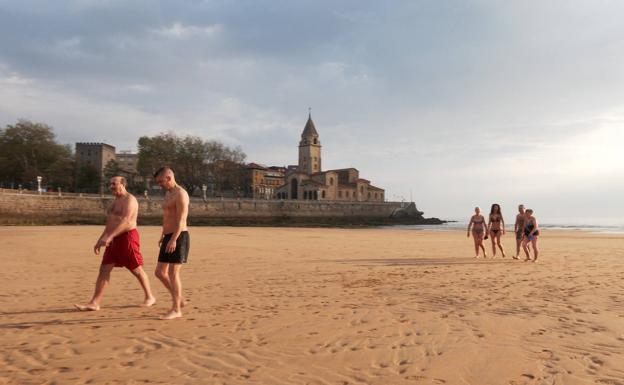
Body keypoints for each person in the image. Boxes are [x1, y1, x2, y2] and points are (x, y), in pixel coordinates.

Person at [75, 176, 156, 311]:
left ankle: (150, 297)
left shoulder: (130, 200)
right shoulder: (115, 202)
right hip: (112, 239)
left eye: (114, 183)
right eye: (110, 184)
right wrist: (101, 239)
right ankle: (95, 303)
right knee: (104, 269)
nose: (111, 186)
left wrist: (110, 236)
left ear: (123, 184)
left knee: (136, 269)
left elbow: (126, 221)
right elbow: (110, 223)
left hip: (127, 237)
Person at [153, 167, 190, 320]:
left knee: (173, 273)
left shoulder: (181, 194)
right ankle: (179, 299)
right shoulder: (168, 193)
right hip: (168, 236)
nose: (159, 185)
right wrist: (163, 234)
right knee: (159, 272)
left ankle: (176, 309)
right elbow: (167, 216)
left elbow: (181, 220)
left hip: (179, 236)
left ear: (169, 177)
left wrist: (174, 239)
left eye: (161, 181)